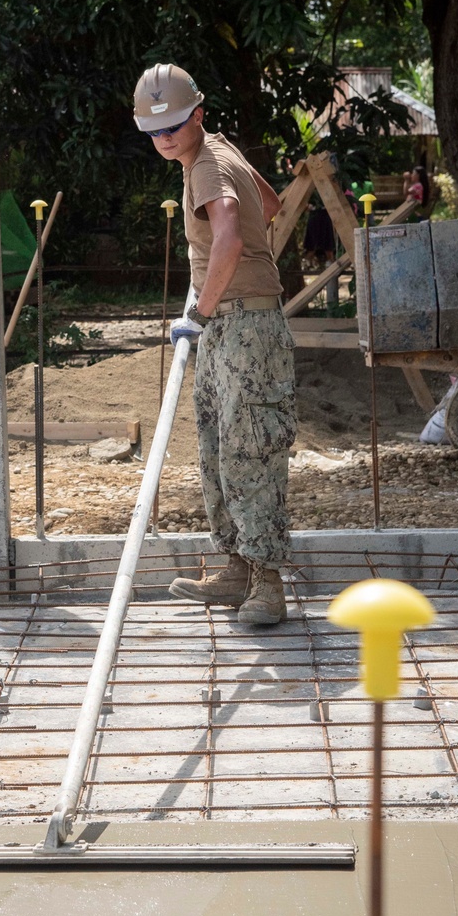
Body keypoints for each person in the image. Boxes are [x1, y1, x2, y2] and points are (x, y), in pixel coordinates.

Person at [134, 63, 295, 626]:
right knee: (218, 451)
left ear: (197, 115)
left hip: (244, 327)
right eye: (154, 130)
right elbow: (269, 206)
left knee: (250, 454)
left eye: (173, 125)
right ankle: (236, 571)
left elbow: (228, 234)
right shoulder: (216, 153)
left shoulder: (206, 166)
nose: (163, 137)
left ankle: (268, 587)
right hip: (229, 324)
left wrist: (202, 309)